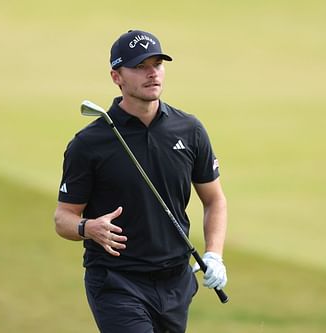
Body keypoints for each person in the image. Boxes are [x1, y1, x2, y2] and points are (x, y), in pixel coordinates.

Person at [54, 29, 228, 333]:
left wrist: (214, 254)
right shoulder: (89, 143)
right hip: (117, 281)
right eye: (139, 67)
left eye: (157, 64)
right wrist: (87, 228)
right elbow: (63, 218)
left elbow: (214, 200)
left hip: (175, 281)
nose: (152, 74)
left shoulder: (189, 130)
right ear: (116, 76)